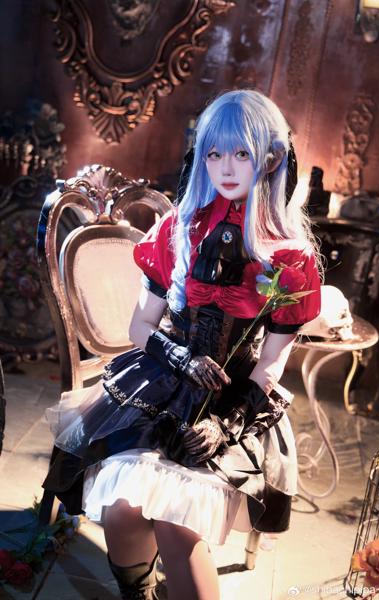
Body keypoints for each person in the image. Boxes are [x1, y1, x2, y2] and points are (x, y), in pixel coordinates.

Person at [43, 89, 321, 600]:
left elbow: (271, 364)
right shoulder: (179, 227)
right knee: (121, 510)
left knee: (175, 521)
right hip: (162, 383)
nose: (226, 167)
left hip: (237, 403)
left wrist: (226, 424)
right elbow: (140, 327)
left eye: (241, 153)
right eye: (214, 153)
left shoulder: (291, 255)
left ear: (271, 159)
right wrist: (180, 356)